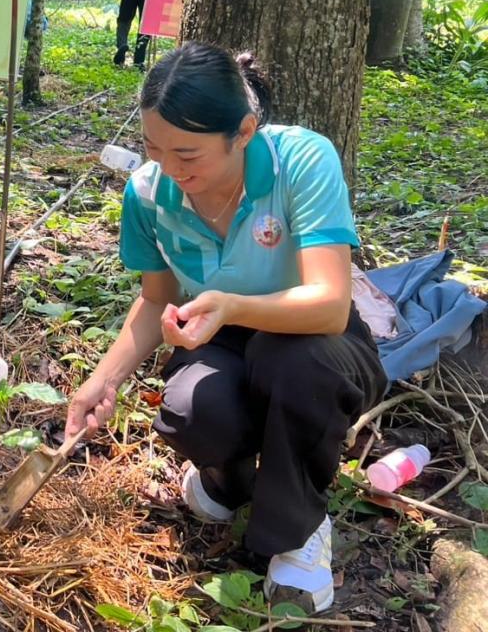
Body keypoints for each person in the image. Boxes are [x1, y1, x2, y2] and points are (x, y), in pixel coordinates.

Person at [64, 43, 386, 614]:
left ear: (243, 132)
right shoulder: (149, 193)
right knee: (190, 408)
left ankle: (298, 528)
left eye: (187, 153)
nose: (170, 168)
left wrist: (233, 306)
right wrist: (103, 380)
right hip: (221, 333)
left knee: (293, 366)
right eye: (154, 147)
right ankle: (229, 481)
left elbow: (331, 305)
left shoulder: (300, 161)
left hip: (315, 339)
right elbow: (155, 301)